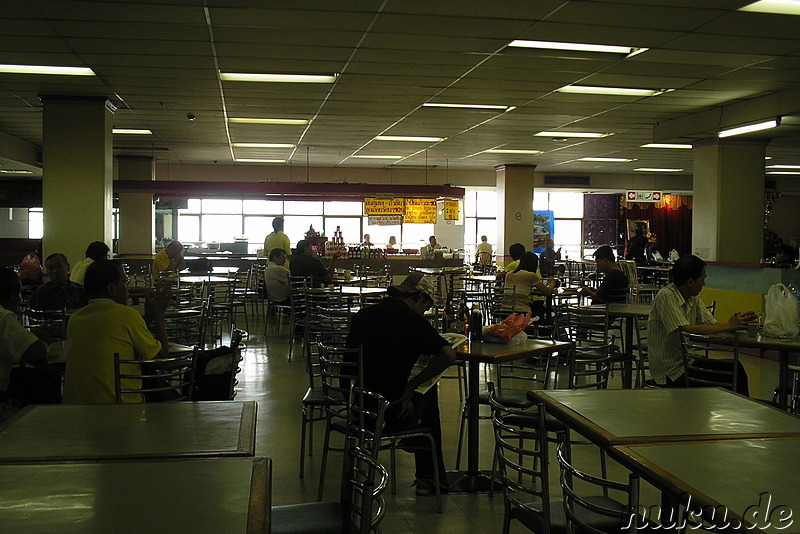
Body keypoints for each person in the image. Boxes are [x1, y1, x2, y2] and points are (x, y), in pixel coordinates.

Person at [346, 272, 456, 496]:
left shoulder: (363, 315)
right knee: (427, 390)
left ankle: (417, 446)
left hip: (354, 404)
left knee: (417, 394)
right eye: (426, 306)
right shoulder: (413, 322)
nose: (424, 312)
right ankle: (429, 476)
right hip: (386, 411)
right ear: (420, 297)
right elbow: (448, 355)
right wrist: (411, 386)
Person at [63, 260, 172, 404]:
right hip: (118, 408)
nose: (128, 288)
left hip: (76, 412)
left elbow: (118, 335)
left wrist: (148, 317)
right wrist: (159, 316)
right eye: (125, 282)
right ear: (112, 289)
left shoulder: (75, 319)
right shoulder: (127, 315)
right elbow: (161, 360)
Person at [647, 254, 756, 393]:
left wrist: (736, 323)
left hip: (688, 363)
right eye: (702, 279)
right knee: (732, 373)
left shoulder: (693, 298)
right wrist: (728, 326)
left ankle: (737, 410)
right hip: (671, 371)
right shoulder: (667, 296)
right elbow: (684, 329)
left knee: (734, 368)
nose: (704, 284)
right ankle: (740, 410)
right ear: (691, 282)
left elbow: (711, 325)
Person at [0, 268, 48, 418]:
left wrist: (31, 336)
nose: (20, 299)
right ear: (11, 297)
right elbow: (37, 353)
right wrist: (43, 339)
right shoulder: (4, 317)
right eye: (19, 294)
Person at [502, 252, 558, 316]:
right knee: (540, 311)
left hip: (504, 310)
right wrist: (553, 282)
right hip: (521, 312)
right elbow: (547, 292)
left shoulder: (509, 274)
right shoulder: (531, 275)